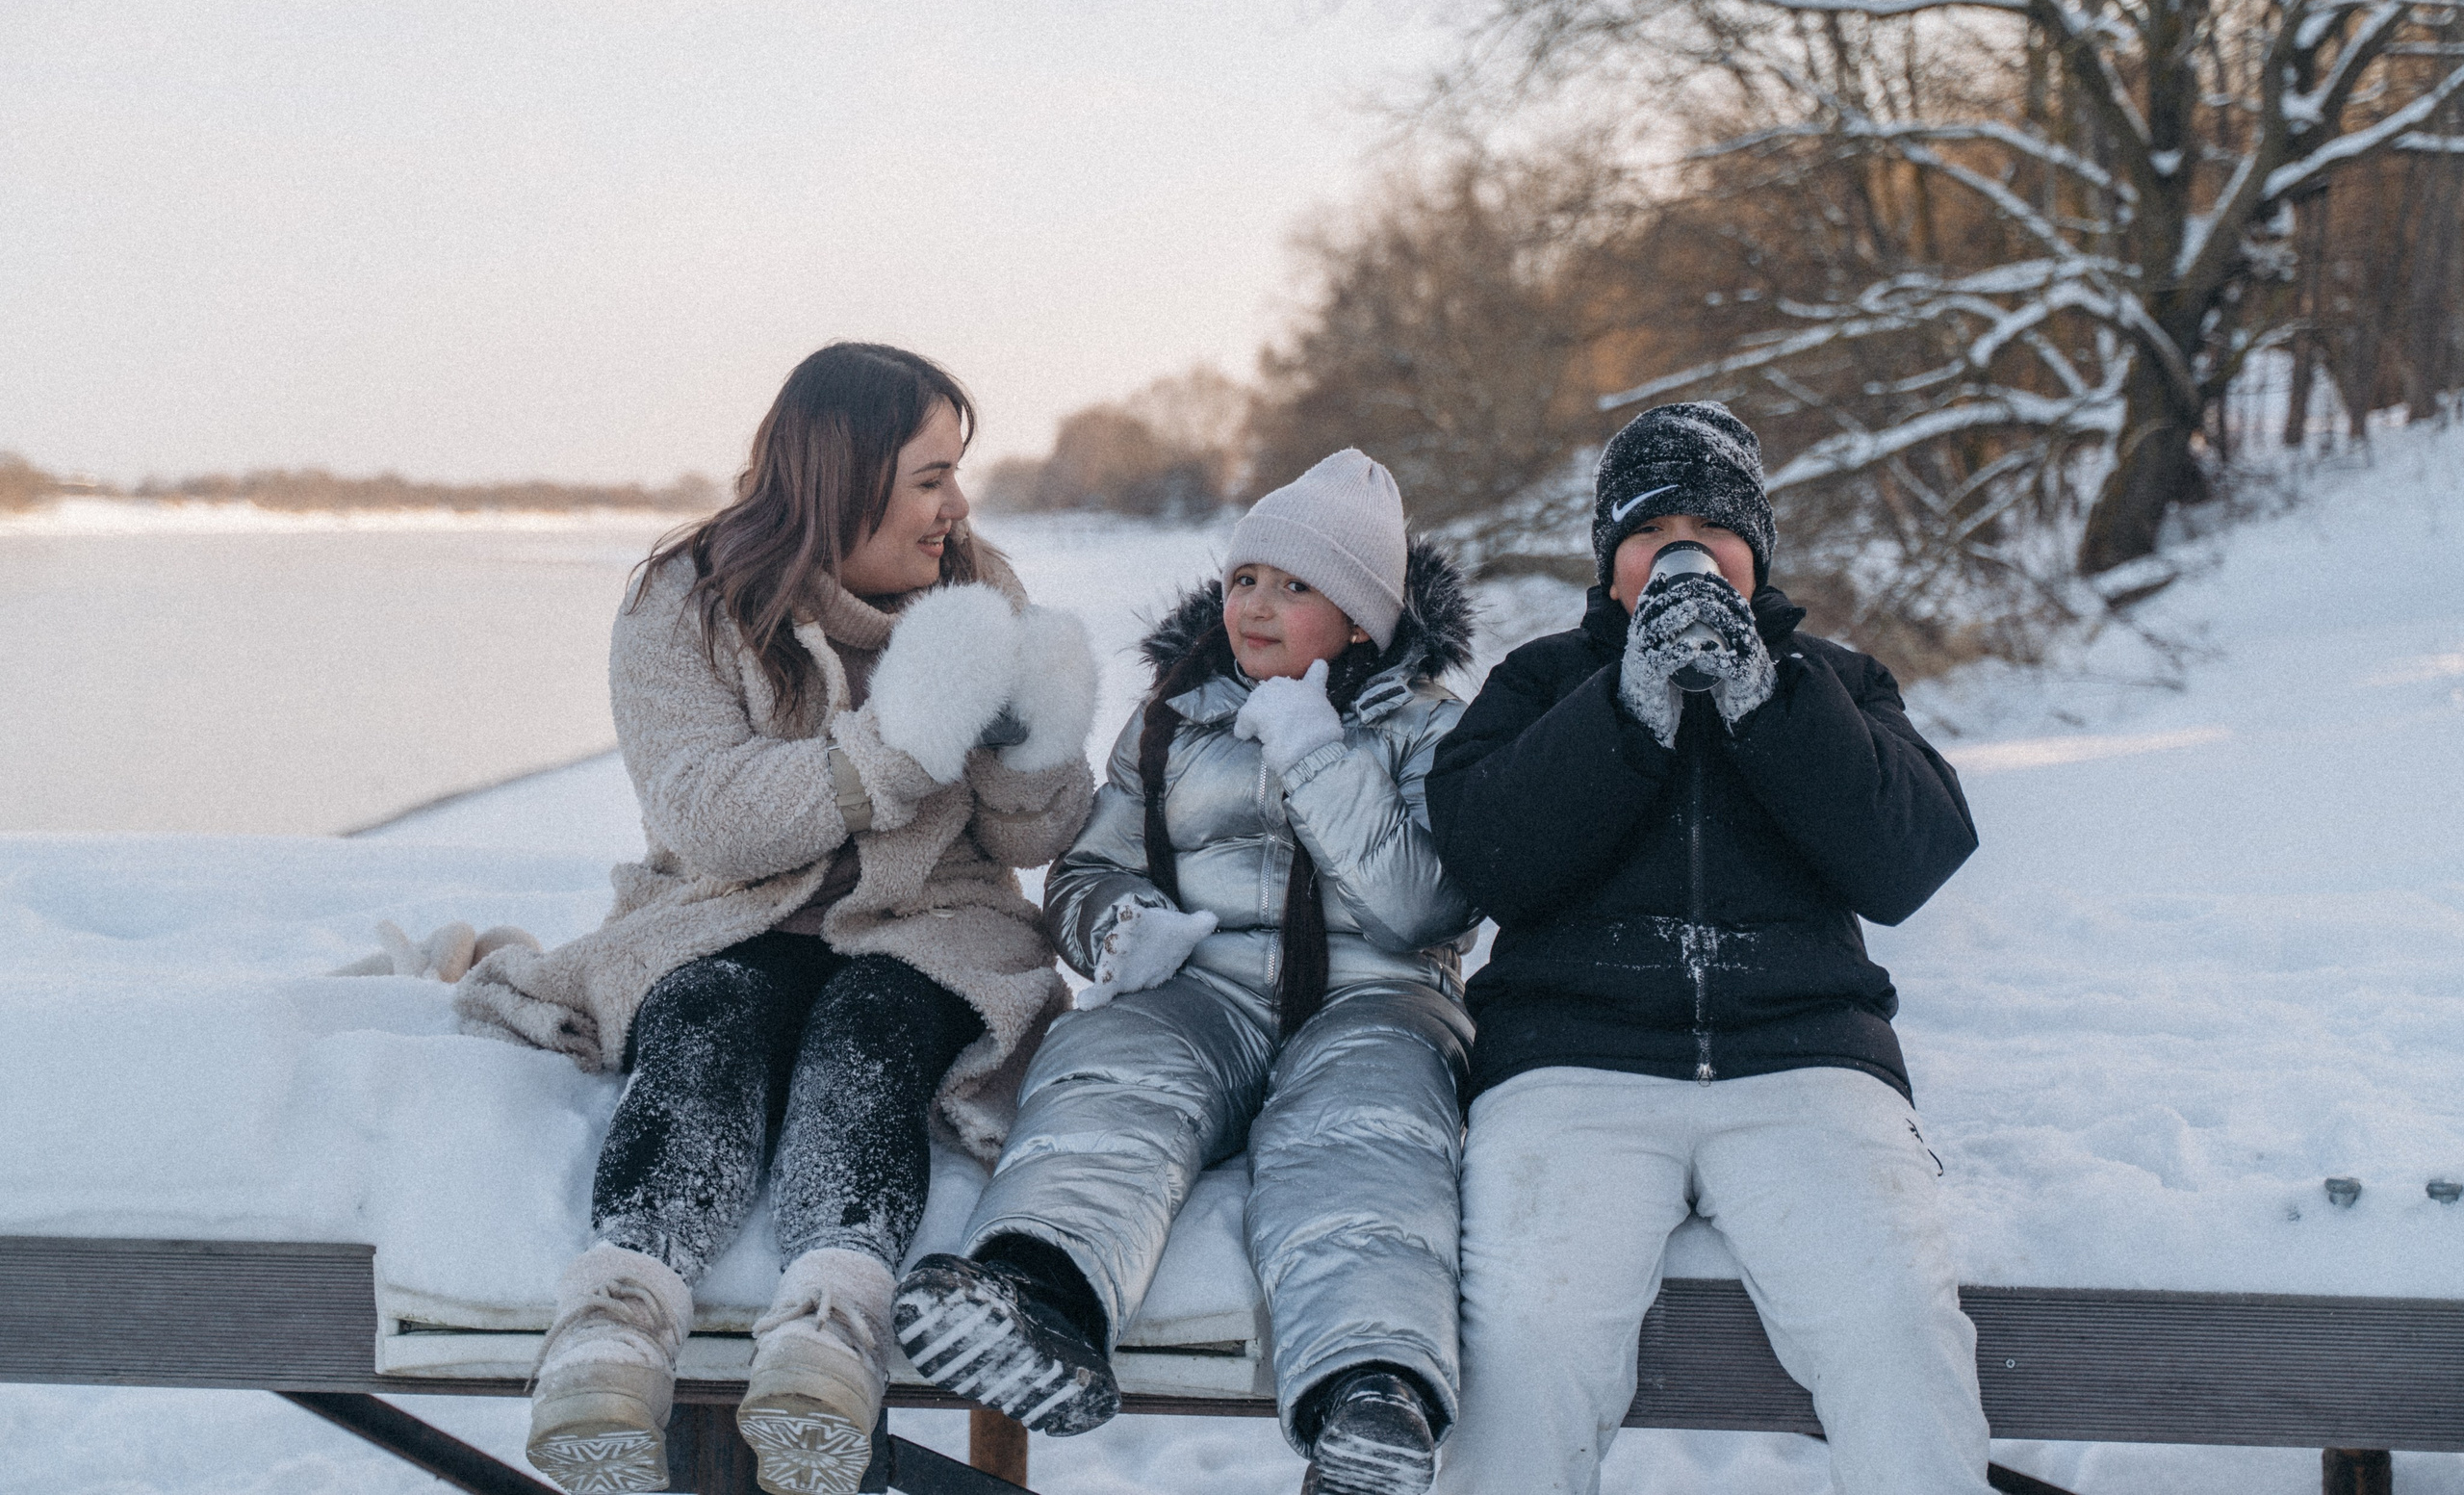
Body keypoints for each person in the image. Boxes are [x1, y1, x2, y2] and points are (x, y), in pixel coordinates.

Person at [451, 344, 1098, 1495]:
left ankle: (829, 1338)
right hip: (722, 914)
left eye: (957, 472)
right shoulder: (685, 600)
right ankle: (613, 1326)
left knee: (873, 1036)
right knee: (706, 1017)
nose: (957, 506)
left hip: (926, 923)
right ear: (841, 475)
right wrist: (896, 746)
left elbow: (1025, 841)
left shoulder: (978, 593)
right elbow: (706, 815)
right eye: (930, 477)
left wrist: (1029, 742)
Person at [890, 450, 1480, 1495]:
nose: (1256, 605)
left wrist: (1314, 753)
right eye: (1246, 577)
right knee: (1109, 1061)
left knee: (1364, 1130)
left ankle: (1368, 1395)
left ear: (1361, 620)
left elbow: (1429, 904)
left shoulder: (1425, 727)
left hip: (1375, 1001)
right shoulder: (1173, 717)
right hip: (1202, 990)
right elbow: (1085, 867)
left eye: (1298, 586)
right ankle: (1042, 1296)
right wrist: (1119, 926)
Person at [1424, 401, 1988, 1495]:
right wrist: (1625, 706)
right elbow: (1487, 858)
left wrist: (1760, 696)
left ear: (1754, 550)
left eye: (1708, 527)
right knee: (1529, 1337)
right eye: (1647, 530)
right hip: (1570, 1066)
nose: (1679, 550)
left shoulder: (1836, 679)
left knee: (1891, 1321)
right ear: (1608, 560)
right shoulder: (1542, 682)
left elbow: (1910, 857)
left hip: (1806, 1064)